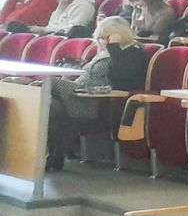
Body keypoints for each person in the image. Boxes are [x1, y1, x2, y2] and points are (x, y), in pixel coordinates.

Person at [45, 17, 152, 170]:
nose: (102, 42)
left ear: (119, 34)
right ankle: (54, 155)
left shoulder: (133, 52)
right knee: (51, 106)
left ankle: (55, 154)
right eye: (100, 38)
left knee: (47, 84)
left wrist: (114, 46)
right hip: (78, 91)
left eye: (106, 37)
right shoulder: (104, 53)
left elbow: (122, 77)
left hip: (92, 99)